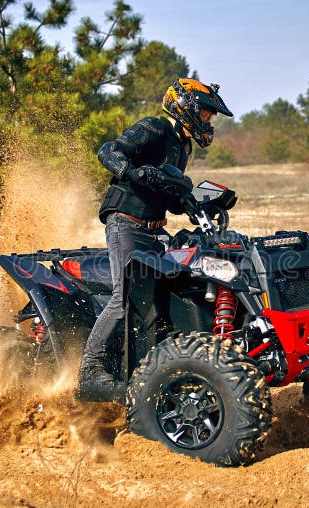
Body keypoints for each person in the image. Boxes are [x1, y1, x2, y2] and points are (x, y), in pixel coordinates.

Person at [77, 78, 234, 401]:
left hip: (155, 229)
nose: (209, 122)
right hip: (126, 223)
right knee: (124, 299)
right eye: (206, 114)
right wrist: (132, 172)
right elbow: (109, 150)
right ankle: (90, 371)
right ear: (187, 107)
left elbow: (168, 191)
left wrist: (193, 202)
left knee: (170, 293)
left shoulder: (182, 146)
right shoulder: (155, 128)